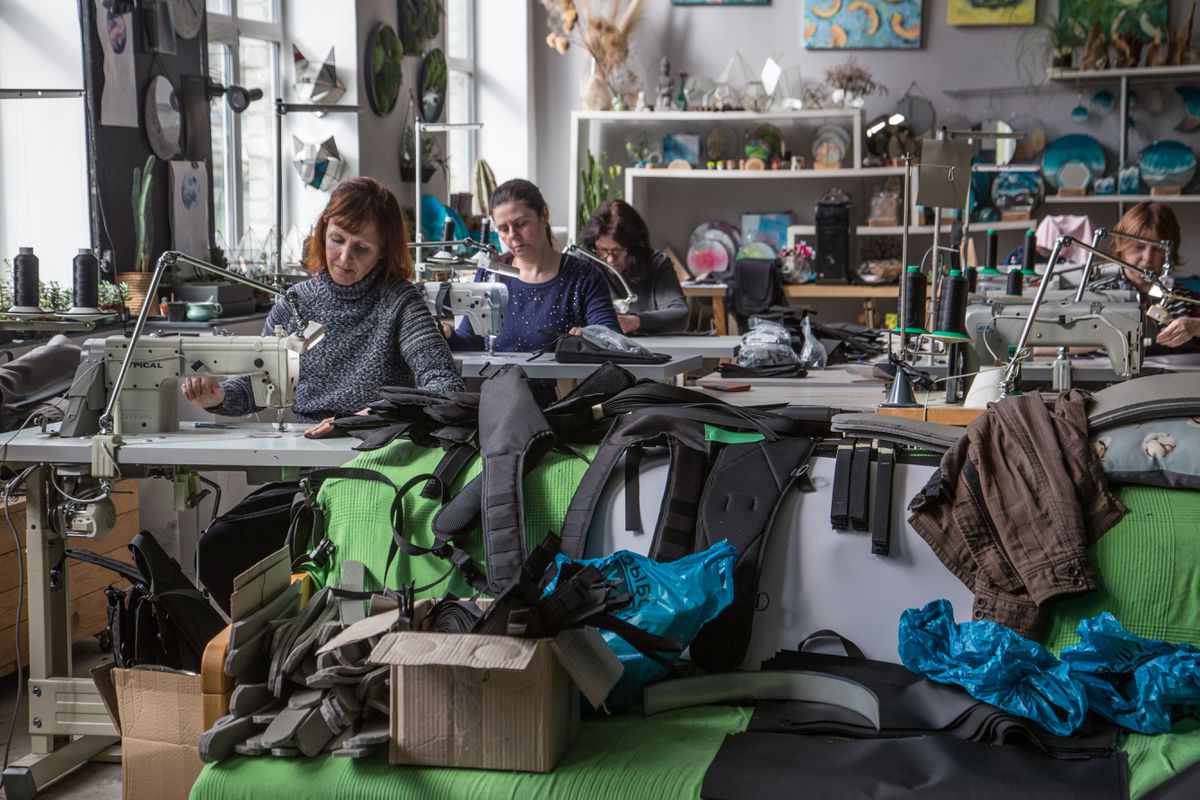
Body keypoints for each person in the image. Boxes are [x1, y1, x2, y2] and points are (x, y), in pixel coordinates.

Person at [182, 176, 464, 435]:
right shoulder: (294, 303)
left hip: (381, 451)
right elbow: (257, 385)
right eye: (337, 240)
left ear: (383, 252)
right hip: (312, 453)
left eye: (362, 248)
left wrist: (377, 414)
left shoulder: (402, 303)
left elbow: (445, 387)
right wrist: (219, 397)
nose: (344, 257)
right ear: (322, 231)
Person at [444, 178, 620, 354]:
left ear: (544, 215)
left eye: (521, 224)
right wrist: (447, 335)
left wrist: (589, 337)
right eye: (504, 229)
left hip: (566, 382)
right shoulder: (490, 273)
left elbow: (612, 338)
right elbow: (470, 341)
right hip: (500, 380)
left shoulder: (584, 277)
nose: (513, 235)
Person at [580, 198, 689, 335]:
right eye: (603, 250)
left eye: (617, 250)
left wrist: (635, 321)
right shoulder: (584, 262)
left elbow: (680, 314)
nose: (610, 259)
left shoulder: (657, 263)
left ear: (634, 246)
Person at [1110, 201, 1200, 348]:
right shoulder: (1095, 295)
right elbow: (1058, 345)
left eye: (1158, 249)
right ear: (1120, 248)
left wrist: (1195, 326)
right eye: (1139, 247)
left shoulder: (1186, 299)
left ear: (1170, 255)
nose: (1147, 258)